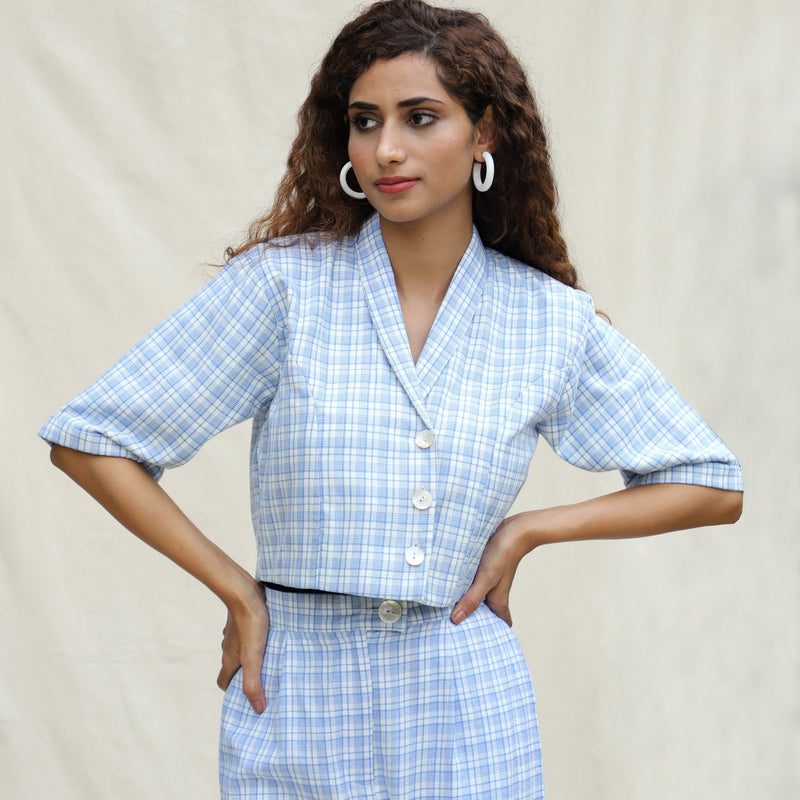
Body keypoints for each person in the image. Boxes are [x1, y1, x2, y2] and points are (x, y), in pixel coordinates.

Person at [39, 0, 743, 797]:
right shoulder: (285, 288)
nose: (388, 149)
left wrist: (530, 531)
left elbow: (712, 484)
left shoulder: (546, 321)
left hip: (464, 699)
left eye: (420, 117)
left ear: (485, 134)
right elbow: (90, 438)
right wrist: (237, 589)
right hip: (297, 691)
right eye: (365, 121)